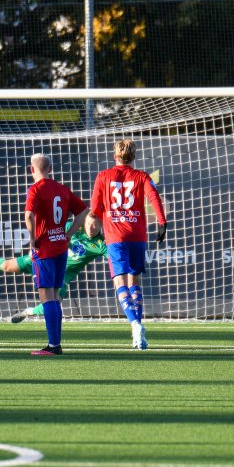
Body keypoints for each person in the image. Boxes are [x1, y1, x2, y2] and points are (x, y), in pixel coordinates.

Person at [85, 138, 166, 350]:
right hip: (137, 236)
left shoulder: (103, 176)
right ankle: (138, 331)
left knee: (119, 282)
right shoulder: (141, 176)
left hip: (116, 236)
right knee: (135, 281)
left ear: (115, 156)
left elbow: (94, 208)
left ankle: (135, 324)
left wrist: (98, 217)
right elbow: (154, 197)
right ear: (134, 156)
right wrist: (162, 222)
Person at [0, 220, 107, 323]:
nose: (91, 227)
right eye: (88, 223)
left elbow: (115, 258)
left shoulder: (101, 245)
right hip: (45, 260)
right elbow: (50, 234)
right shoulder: (73, 228)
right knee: (8, 266)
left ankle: (28, 312)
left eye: (95, 224)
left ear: (101, 225)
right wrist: (36, 247)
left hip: (62, 275)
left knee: (52, 305)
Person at [24, 153, 88, 355]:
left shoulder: (35, 189)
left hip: (44, 249)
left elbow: (28, 215)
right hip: (61, 247)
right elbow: (84, 211)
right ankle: (55, 344)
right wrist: (68, 234)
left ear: (31, 169)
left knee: (47, 297)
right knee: (54, 297)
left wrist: (32, 238)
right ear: (50, 169)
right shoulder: (62, 189)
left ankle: (53, 346)